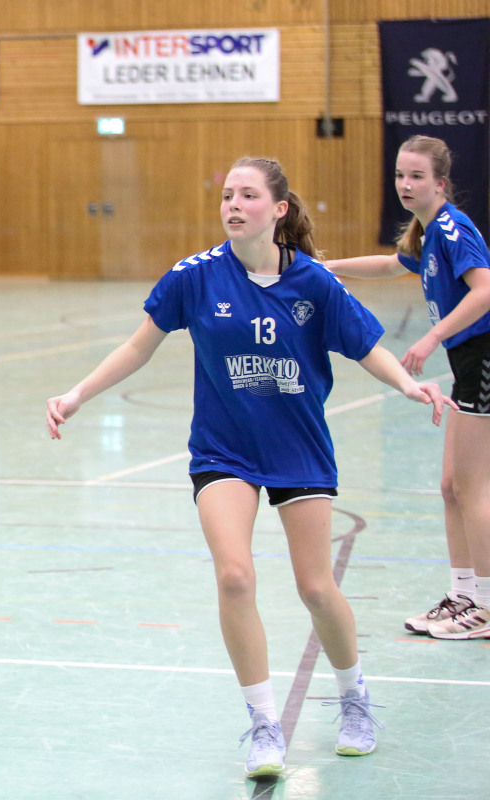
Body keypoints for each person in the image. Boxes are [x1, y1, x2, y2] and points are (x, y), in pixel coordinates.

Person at [45, 156, 453, 779]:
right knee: (235, 576)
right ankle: (264, 724)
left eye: (248, 195)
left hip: (297, 448)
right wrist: (76, 394)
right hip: (223, 450)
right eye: (227, 195)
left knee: (316, 588)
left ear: (278, 209)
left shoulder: (314, 283)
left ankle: (354, 699)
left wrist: (408, 385)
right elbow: (138, 345)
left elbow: (368, 346)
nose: (233, 205)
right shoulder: (194, 277)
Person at [326, 135, 490, 640]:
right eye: (400, 175)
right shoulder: (426, 232)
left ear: (440, 183)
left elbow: (485, 290)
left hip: (482, 359)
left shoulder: (454, 228)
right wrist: (328, 269)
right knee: (450, 487)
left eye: (417, 176)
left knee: (473, 488)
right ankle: (464, 594)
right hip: (466, 362)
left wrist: (432, 337)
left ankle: (487, 606)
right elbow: (391, 264)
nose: (405, 184)